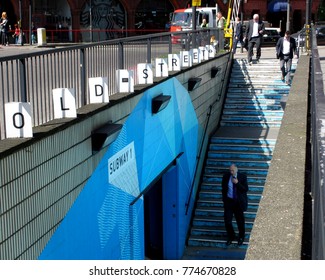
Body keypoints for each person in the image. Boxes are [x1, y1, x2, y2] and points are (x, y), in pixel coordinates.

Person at [222, 163, 248, 246]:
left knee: (240, 221)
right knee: (227, 221)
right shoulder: (226, 176)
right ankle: (231, 236)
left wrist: (237, 183)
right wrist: (225, 200)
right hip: (229, 202)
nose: (231, 172)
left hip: (238, 202)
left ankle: (241, 236)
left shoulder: (242, 177)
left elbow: (245, 189)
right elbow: (223, 189)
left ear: (236, 169)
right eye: (230, 170)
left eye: (233, 170)